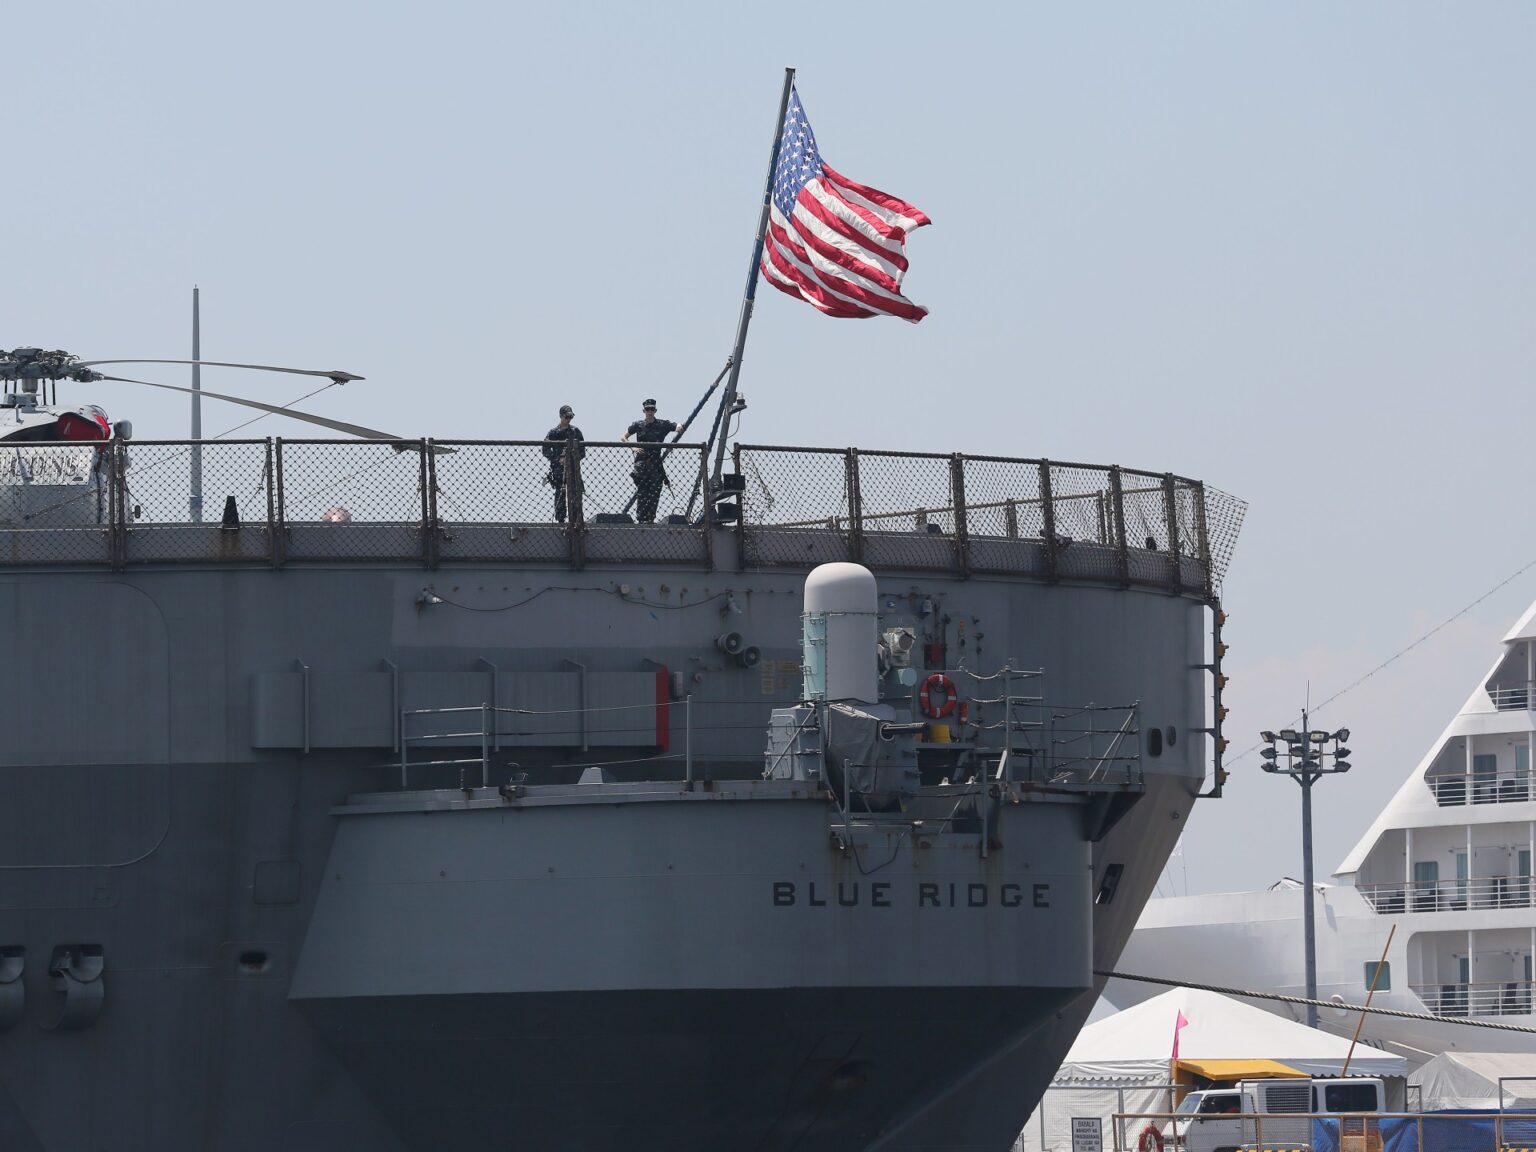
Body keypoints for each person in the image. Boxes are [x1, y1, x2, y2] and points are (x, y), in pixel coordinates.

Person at [621, 398, 678, 524]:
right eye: (648, 409)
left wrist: (679, 427)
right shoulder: (638, 425)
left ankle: (650, 519)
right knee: (643, 491)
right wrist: (633, 447)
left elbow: (677, 427)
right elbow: (623, 437)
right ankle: (642, 519)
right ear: (644, 411)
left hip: (656, 464)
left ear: (655, 410)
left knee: (655, 492)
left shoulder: (662, 425)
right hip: (642, 462)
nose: (650, 411)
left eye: (652, 409)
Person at [541, 405, 585, 523]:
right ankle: (560, 518)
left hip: (573, 467)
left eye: (571, 417)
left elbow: (582, 451)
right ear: (561, 416)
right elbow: (545, 450)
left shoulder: (575, 431)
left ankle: (576, 518)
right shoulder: (553, 432)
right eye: (567, 417)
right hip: (558, 469)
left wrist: (572, 459)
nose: (569, 419)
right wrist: (557, 459)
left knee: (575, 491)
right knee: (560, 491)